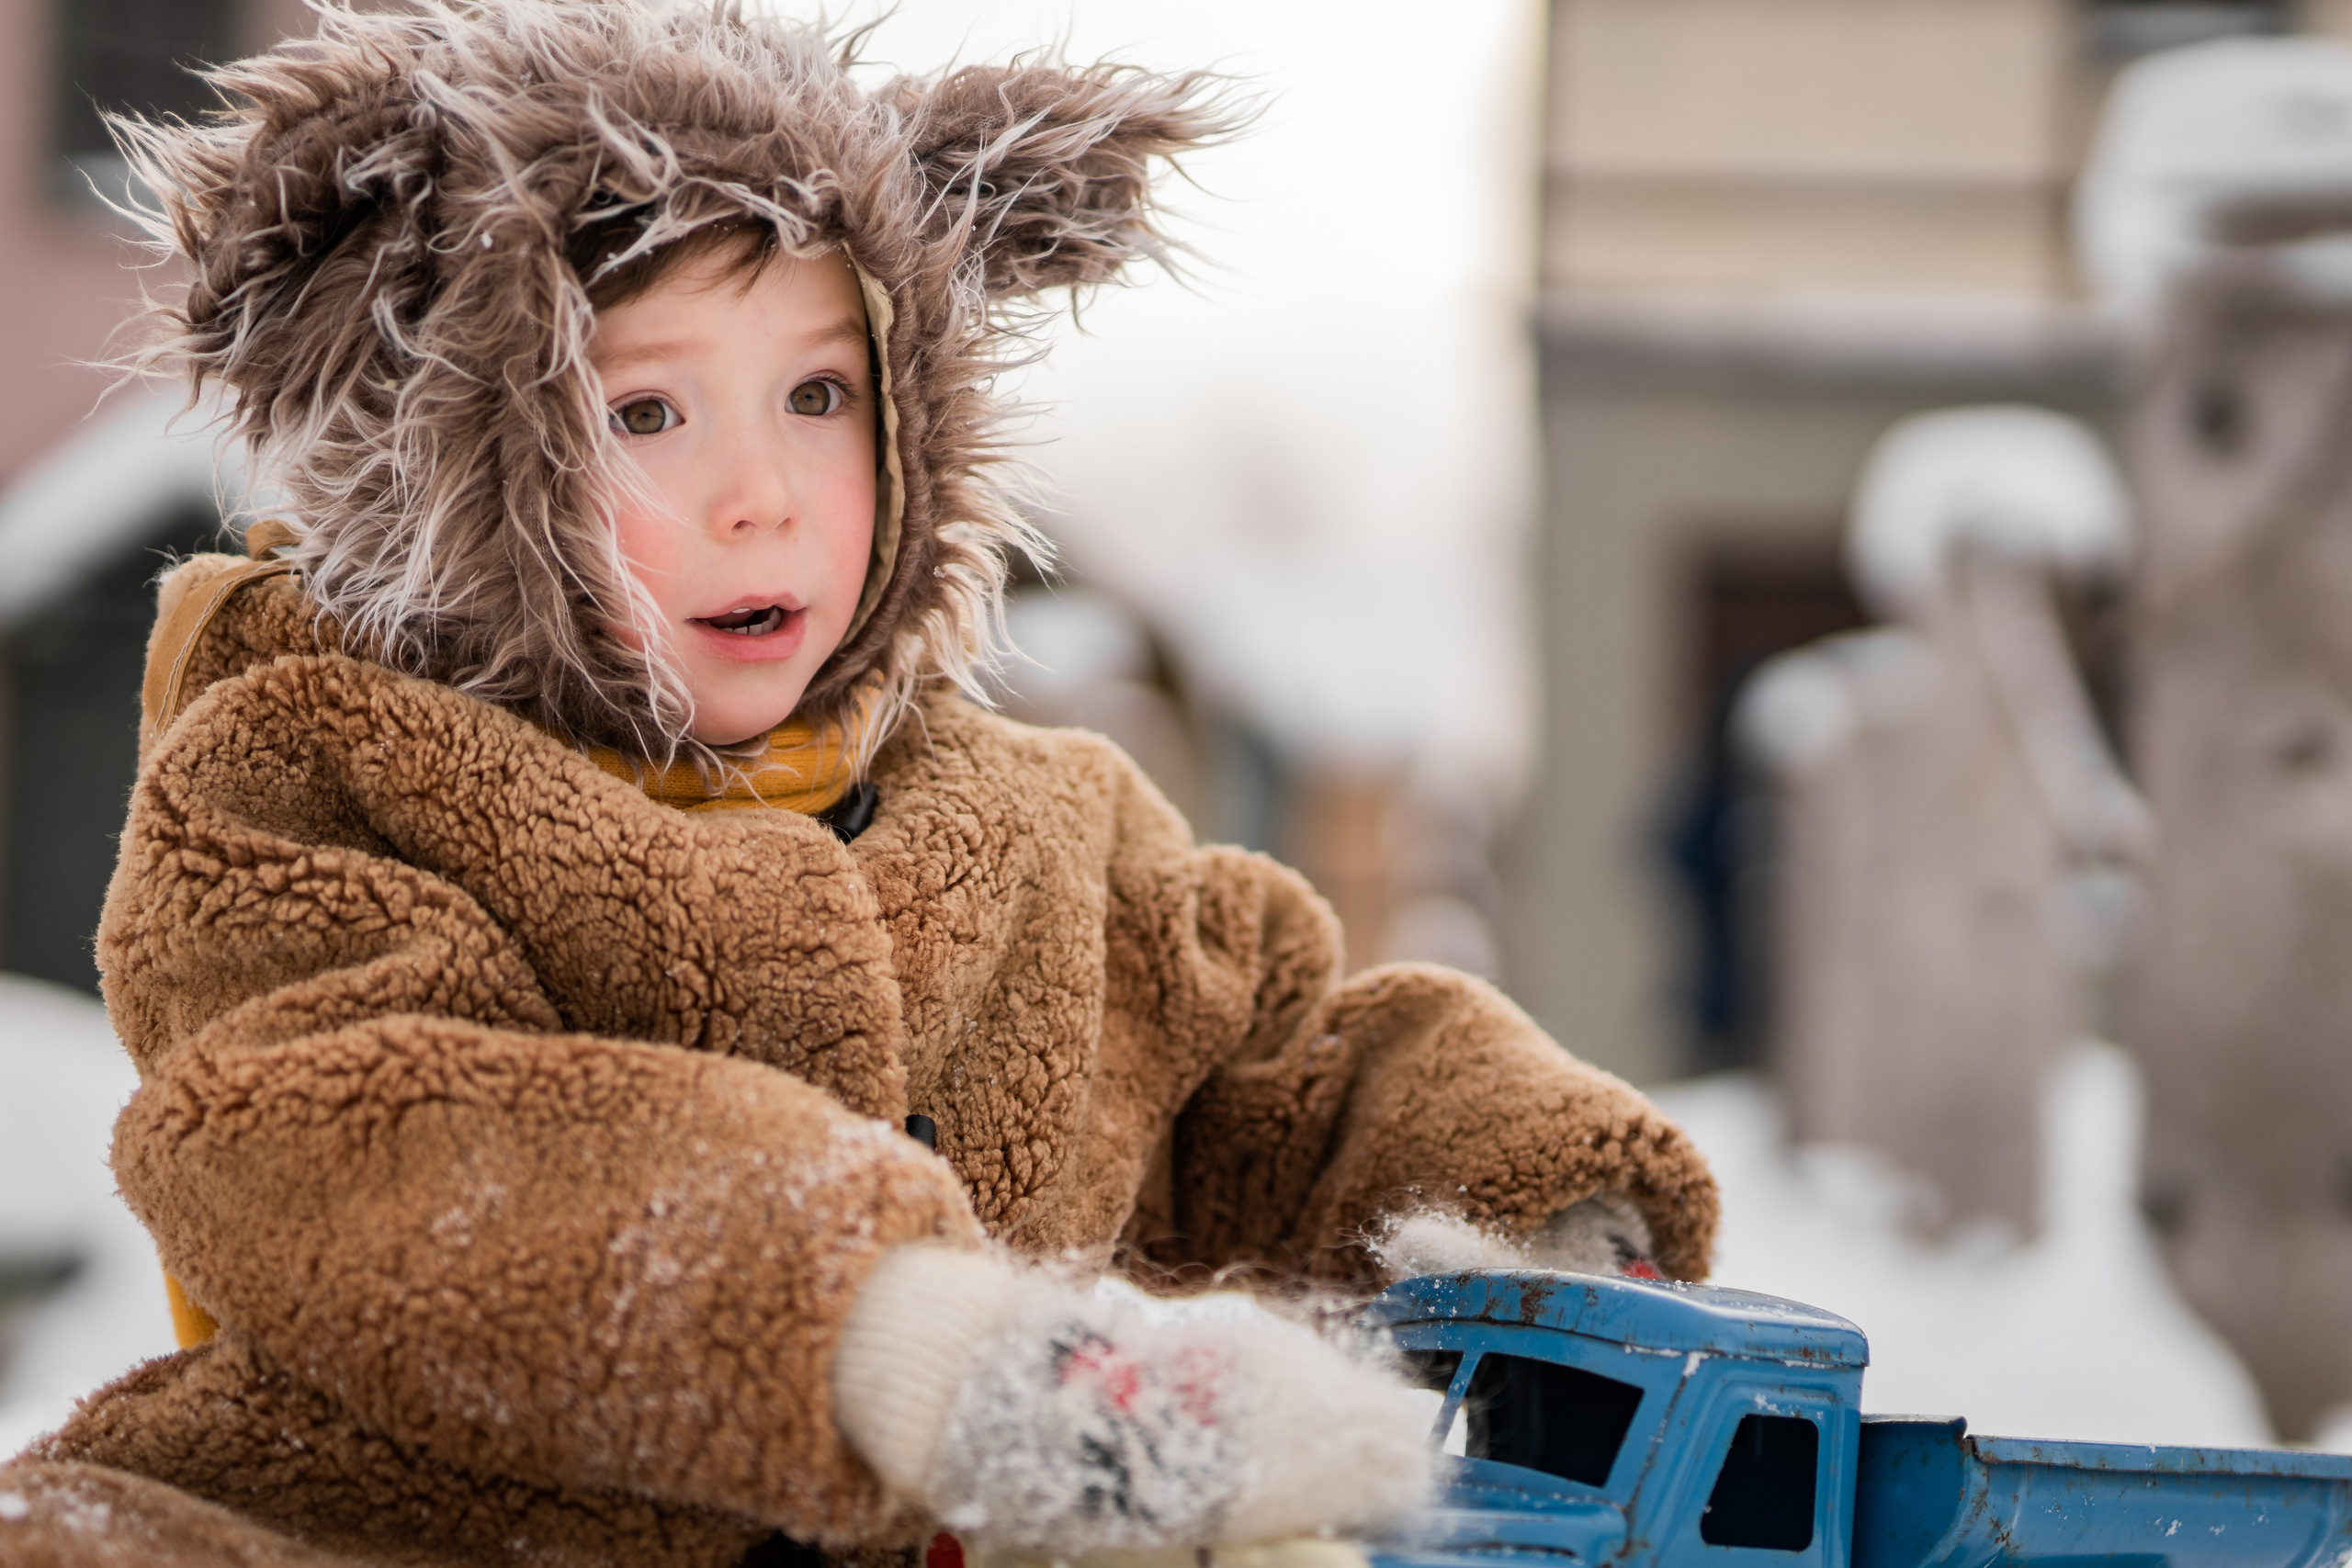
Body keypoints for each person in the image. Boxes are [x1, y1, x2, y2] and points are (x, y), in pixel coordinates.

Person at [0, 5, 1718, 1565]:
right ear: (464, 457)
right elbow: (351, 1136)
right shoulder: (320, 780)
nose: (759, 494)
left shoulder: (1045, 831)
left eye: (819, 393)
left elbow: (1286, 1064)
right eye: (648, 416)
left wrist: (1543, 1208)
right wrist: (899, 1338)